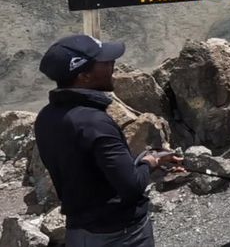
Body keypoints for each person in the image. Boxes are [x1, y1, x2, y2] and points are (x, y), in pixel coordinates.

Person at [35, 34, 182, 246]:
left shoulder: (46, 117)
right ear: (83, 76)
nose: (113, 64)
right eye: (105, 62)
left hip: (79, 232)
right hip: (121, 235)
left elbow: (87, 172)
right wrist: (151, 161)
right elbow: (131, 186)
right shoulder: (94, 122)